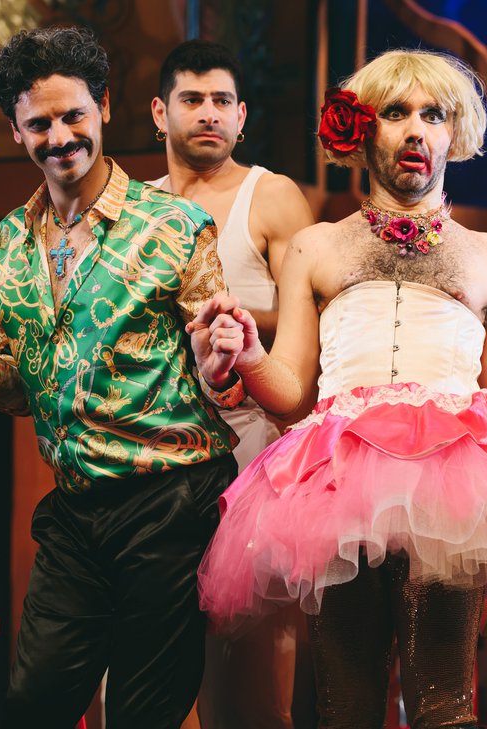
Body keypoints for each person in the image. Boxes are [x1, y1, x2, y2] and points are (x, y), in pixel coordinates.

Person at [189, 49, 487, 729]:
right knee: (345, 707)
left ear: (453, 131)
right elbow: (290, 391)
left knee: (443, 704)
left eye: (433, 114)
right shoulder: (315, 246)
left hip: (450, 488)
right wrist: (253, 355)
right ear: (362, 129)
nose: (415, 129)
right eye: (395, 112)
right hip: (337, 486)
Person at [0, 26, 246, 729]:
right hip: (75, 510)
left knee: (141, 713)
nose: (60, 136)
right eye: (40, 124)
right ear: (16, 131)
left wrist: (220, 360)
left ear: (102, 107)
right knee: (32, 702)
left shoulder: (175, 225)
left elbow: (215, 367)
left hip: (169, 499)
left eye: (74, 115)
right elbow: (26, 392)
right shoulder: (8, 244)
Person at [149, 39, 315, 729]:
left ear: (242, 116)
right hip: (157, 448)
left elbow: (316, 314)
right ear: (159, 112)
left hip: (252, 445)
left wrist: (234, 317)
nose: (208, 113)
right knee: (153, 659)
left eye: (222, 100)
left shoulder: (271, 196)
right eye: (192, 99)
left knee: (252, 668)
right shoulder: (137, 208)